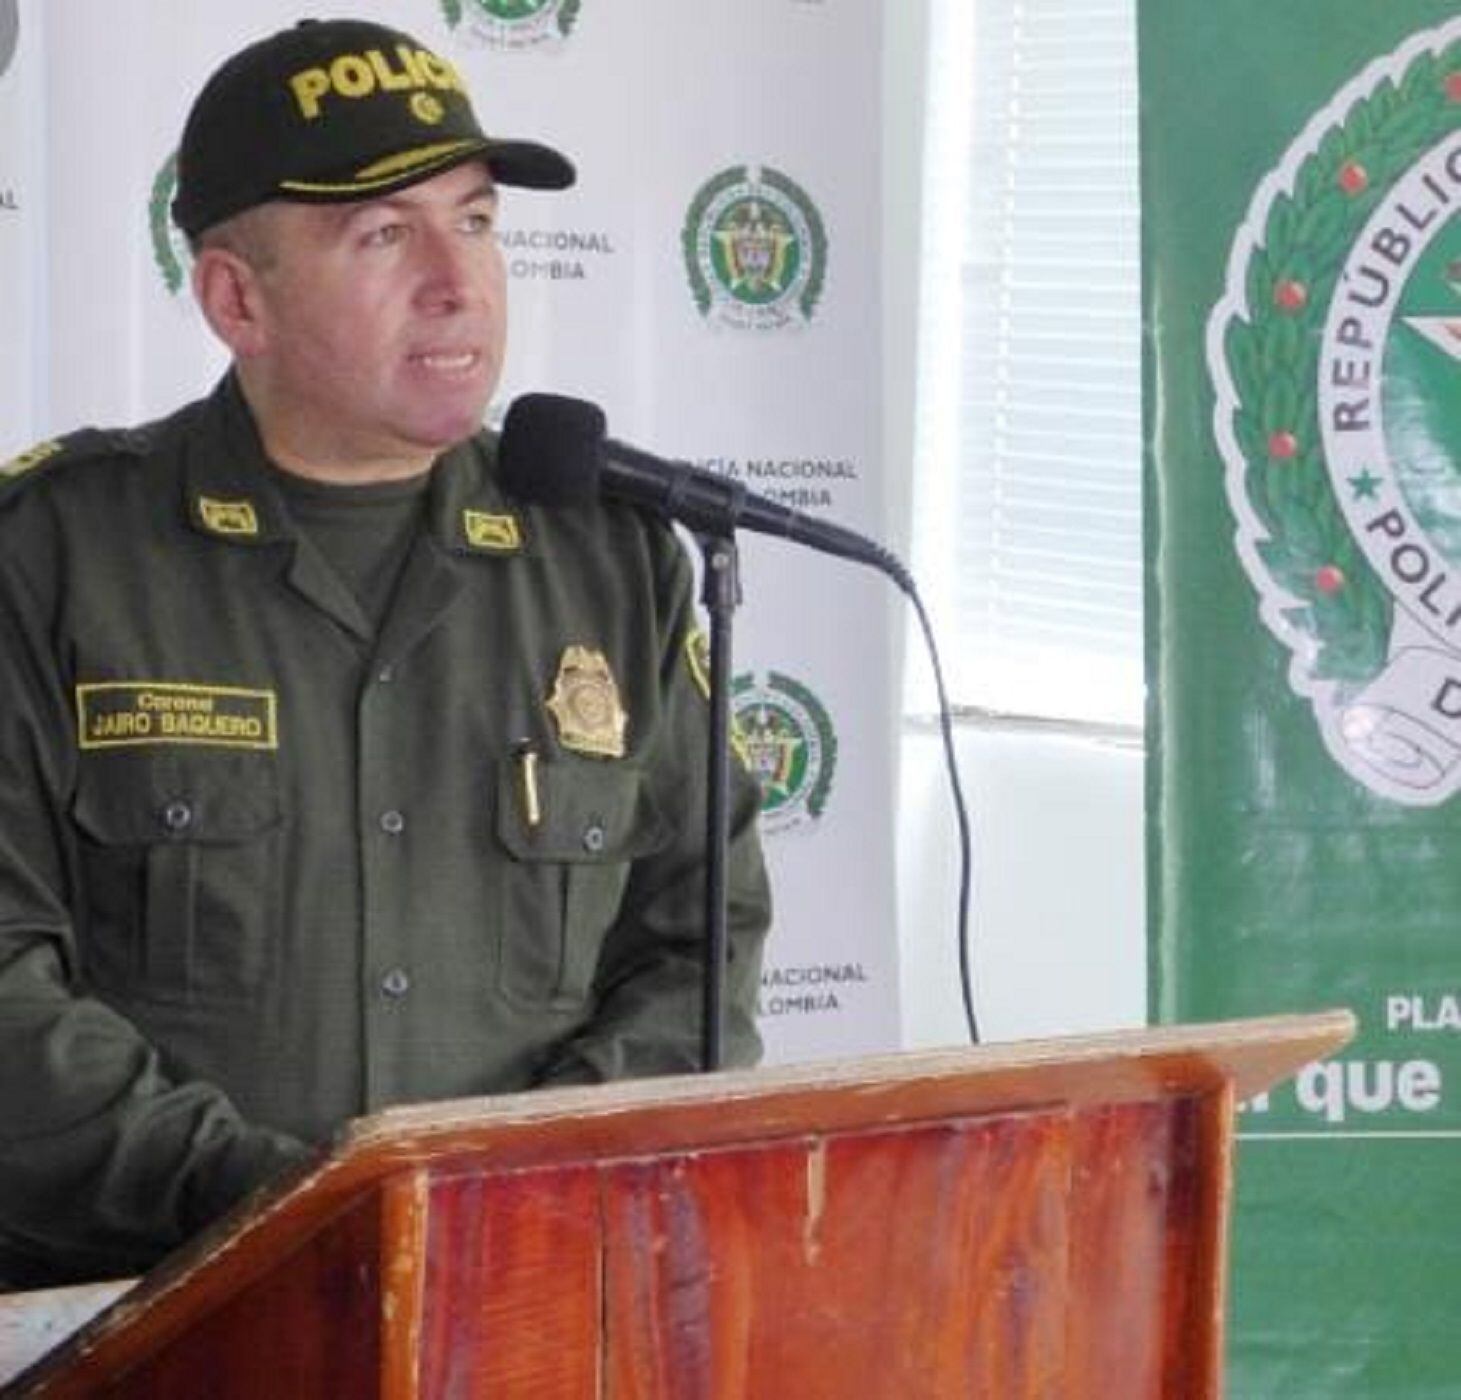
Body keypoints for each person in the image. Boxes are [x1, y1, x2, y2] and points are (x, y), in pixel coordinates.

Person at [0, 17, 770, 1290]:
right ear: (237, 298)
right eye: (382, 234)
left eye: (473, 221)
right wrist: (292, 1209)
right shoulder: (57, 556)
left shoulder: (616, 559)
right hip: (152, 1307)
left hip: (523, 1291)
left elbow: (701, 940)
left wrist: (520, 1184)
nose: (457, 283)